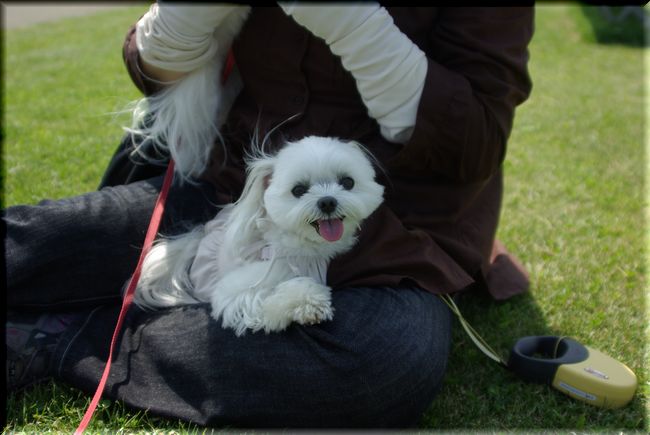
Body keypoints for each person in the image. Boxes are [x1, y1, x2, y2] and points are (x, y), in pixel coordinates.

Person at [5, 4, 534, 428]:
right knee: (41, 240)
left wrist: (350, 21)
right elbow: (153, 72)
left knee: (380, 361)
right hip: (228, 185)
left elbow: (476, 142)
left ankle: (59, 336)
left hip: (399, 231)